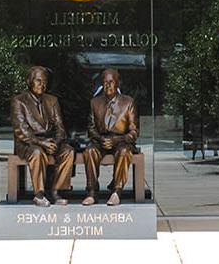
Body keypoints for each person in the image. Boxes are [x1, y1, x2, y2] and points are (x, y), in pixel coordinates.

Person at [11, 66, 74, 206]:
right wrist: (41, 143)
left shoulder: (52, 100)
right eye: (38, 81)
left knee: (68, 151)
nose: (42, 85)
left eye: (44, 81)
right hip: (28, 143)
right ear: (29, 81)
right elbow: (21, 130)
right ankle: (39, 194)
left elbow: (60, 127)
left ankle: (56, 191)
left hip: (50, 141)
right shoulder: (19, 101)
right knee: (37, 152)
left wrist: (56, 143)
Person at [82, 68, 139, 206]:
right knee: (89, 151)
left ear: (117, 83)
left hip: (121, 141)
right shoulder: (95, 102)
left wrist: (116, 140)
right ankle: (92, 192)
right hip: (100, 140)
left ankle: (116, 191)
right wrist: (101, 139)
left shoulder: (128, 102)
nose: (108, 85)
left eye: (111, 82)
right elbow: (91, 128)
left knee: (124, 152)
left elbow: (134, 132)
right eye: (105, 82)